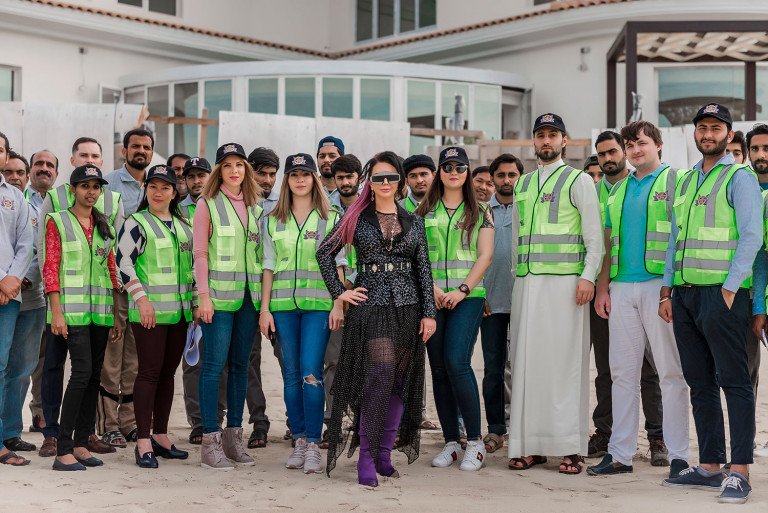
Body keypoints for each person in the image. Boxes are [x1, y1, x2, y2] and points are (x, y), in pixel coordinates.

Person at [660, 103, 761, 504]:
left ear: (729, 134)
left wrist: (731, 287)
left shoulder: (741, 177)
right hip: (684, 296)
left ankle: (739, 471)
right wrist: (667, 289)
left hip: (722, 295)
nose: (707, 134)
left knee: (734, 381)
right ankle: (710, 465)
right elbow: (674, 240)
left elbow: (752, 236)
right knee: (699, 383)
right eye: (701, 127)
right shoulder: (685, 182)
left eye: (715, 128)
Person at [317, 151, 437, 486]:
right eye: (379, 177)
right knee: (380, 375)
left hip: (408, 307)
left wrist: (429, 313)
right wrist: (339, 292)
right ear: (369, 181)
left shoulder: (414, 220)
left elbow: (423, 271)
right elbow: (324, 252)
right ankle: (367, 457)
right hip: (371, 307)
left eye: (391, 177)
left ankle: (384, 454)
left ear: (400, 181)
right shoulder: (357, 217)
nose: (385, 183)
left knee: (400, 382)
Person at [587, 121, 690, 478]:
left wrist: (669, 289)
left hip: (657, 288)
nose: (635, 150)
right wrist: (602, 288)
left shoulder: (675, 180)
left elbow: (681, 237)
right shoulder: (613, 190)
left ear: (658, 145)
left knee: (671, 372)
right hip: (620, 288)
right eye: (629, 145)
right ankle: (620, 454)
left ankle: (679, 455)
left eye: (642, 143)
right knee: (622, 374)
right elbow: (606, 241)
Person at [508, 113, 603, 475]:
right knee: (528, 364)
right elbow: (517, 238)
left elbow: (594, 238)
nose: (546, 141)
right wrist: (519, 276)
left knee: (565, 366)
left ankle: (570, 448)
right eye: (540, 135)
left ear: (564, 141)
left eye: (552, 135)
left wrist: (588, 277)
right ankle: (529, 446)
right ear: (533, 141)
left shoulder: (578, 180)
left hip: (566, 285)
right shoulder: (524, 184)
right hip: (528, 283)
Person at [259, 152, 345, 474]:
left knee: (311, 371)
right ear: (287, 181)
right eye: (293, 174)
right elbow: (267, 266)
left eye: (305, 174)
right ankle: (298, 440)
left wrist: (338, 303)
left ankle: (313, 443)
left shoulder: (331, 218)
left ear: (314, 179)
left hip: (318, 307)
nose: (299, 179)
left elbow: (340, 265)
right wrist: (264, 310)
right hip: (282, 308)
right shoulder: (271, 220)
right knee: (291, 375)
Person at [38, 137, 121, 457]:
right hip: (70, 314)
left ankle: (85, 439)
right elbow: (50, 268)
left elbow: (111, 270)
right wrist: (55, 312)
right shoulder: (58, 221)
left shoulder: (103, 225)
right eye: (84, 186)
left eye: (95, 186)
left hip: (100, 313)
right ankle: (64, 445)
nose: (91, 191)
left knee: (93, 376)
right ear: (72, 190)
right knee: (81, 372)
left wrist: (114, 313)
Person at [416, 146, 494, 472]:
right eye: (447, 166)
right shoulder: (424, 211)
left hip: (468, 297)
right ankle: (451, 441)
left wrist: (462, 290)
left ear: (467, 172)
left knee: (456, 361)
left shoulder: (482, 211)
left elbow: (485, 255)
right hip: (432, 297)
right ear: (439, 172)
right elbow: (417, 256)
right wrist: (432, 289)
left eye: (459, 167)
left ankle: (474, 441)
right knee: (437, 368)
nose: (453, 172)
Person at [117, 165, 193, 468]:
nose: (158, 192)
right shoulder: (137, 223)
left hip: (179, 314)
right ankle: (144, 440)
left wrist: (196, 305)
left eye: (165, 187)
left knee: (167, 374)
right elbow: (124, 263)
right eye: (152, 187)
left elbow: (190, 269)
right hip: (148, 313)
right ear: (145, 190)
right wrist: (141, 299)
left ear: (174, 193)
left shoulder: (183, 226)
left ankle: (161, 435)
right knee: (148, 372)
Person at [194, 143, 263, 470]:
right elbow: (201, 254)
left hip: (249, 300)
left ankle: (234, 438)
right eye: (227, 165)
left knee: (240, 366)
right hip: (218, 300)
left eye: (240, 164)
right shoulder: (207, 204)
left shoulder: (255, 206)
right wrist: (203, 296)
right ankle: (210, 439)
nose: (234, 170)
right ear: (219, 170)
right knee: (213, 366)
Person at [100, 128, 154, 447]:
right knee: (112, 355)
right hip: (116, 284)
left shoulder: (157, 185)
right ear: (125, 150)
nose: (141, 152)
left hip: (145, 288)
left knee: (136, 357)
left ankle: (130, 421)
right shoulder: (108, 185)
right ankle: (108, 422)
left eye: (147, 148)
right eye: (136, 146)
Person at [177, 156, 224, 445]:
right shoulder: (177, 210)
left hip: (218, 294)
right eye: (191, 176)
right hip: (187, 297)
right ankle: (197, 422)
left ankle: (216, 418)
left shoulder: (221, 207)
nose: (196, 181)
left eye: (201, 175)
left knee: (219, 361)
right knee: (193, 362)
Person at [1, 152, 45, 455]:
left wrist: (22, 278)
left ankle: (11, 431)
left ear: (27, 175)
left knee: (22, 369)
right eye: (9, 171)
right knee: (1, 367)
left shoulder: (38, 207)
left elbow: (36, 248)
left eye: (20, 171)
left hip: (32, 300)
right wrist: (13, 279)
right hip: (8, 294)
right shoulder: (10, 202)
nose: (15, 175)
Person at [319, 154, 362, 449]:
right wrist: (339, 291)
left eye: (350, 176)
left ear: (359, 177)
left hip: (365, 294)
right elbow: (324, 252)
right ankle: (332, 424)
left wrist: (353, 282)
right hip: (334, 296)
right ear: (333, 179)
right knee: (333, 362)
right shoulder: (325, 209)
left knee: (364, 362)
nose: (345, 182)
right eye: (340, 177)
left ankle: (362, 425)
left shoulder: (369, 207)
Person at [479, 153, 522, 455]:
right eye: (501, 175)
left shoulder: (529, 208)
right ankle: (496, 430)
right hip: (490, 303)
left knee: (524, 369)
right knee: (493, 370)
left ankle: (523, 429)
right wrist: (479, 294)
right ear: (492, 178)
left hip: (525, 302)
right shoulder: (481, 212)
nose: (507, 180)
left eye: (512, 175)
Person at [242, 146, 283, 449]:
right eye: (262, 173)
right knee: (247, 361)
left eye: (272, 174)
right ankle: (259, 423)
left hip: (279, 296)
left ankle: (296, 423)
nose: (267, 180)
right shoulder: (237, 204)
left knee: (288, 360)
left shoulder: (284, 205)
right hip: (245, 296)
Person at [0, 135, 34, 467]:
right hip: (4, 286)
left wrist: (10, 280)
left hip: (8, 296)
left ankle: (1, 439)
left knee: (3, 366)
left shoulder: (14, 198)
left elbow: (26, 241)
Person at [400, 153, 439, 431]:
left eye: (424, 174)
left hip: (440, 293)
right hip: (404, 293)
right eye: (413, 175)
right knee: (406, 356)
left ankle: (429, 414)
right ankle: (410, 414)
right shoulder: (398, 210)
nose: (419, 179)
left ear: (433, 175)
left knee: (441, 360)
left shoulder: (442, 207)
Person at [25, 149, 58, 434]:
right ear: (30, 170)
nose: (44, 168)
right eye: (39, 164)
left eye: (49, 165)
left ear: (56, 173)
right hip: (25, 292)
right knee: (29, 357)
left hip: (56, 295)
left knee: (48, 359)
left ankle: (42, 412)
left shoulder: (60, 203)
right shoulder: (19, 201)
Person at [748, 123, 768, 458]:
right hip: (751, 295)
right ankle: (747, 438)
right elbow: (760, 257)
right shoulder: (743, 186)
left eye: (767, 149)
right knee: (747, 372)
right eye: (756, 149)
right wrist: (758, 305)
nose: (762, 155)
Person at [249, 147, 280, 215]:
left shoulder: (285, 204)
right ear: (249, 173)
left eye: (272, 174)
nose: (268, 181)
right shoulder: (236, 202)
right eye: (262, 174)